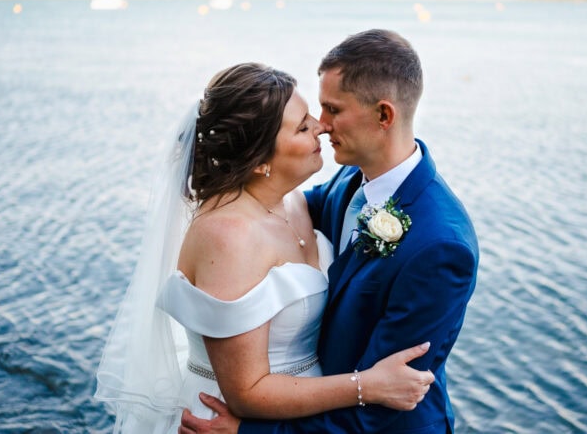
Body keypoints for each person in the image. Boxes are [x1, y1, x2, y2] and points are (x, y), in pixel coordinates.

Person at [95, 62, 435, 433]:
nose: (321, 126)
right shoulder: (228, 236)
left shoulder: (295, 202)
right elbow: (245, 391)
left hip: (305, 413)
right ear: (259, 161)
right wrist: (367, 386)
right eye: (303, 126)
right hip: (233, 418)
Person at [180, 30, 479, 433]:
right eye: (310, 119)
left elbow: (386, 403)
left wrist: (249, 432)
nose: (322, 125)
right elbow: (275, 205)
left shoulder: (440, 247)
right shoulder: (350, 179)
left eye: (332, 109)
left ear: (384, 116)